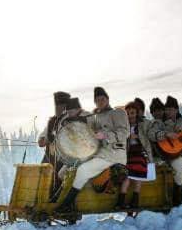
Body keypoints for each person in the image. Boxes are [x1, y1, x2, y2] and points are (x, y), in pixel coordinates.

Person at [55, 87, 129, 215]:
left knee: (83, 170)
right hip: (99, 154)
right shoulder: (95, 117)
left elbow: (124, 133)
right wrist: (70, 124)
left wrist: (105, 135)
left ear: (107, 99)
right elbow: (85, 127)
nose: (100, 102)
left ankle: (66, 205)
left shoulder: (117, 113)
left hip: (113, 154)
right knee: (71, 168)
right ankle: (67, 201)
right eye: (97, 100)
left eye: (102, 99)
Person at [116, 101, 154, 210]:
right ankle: (121, 201)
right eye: (127, 114)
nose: (130, 116)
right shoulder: (124, 126)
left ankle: (135, 201)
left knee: (139, 175)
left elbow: (149, 134)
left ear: (136, 113)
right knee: (126, 176)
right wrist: (128, 138)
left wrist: (138, 137)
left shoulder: (143, 124)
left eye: (132, 113)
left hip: (140, 153)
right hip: (127, 154)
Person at [38, 91, 71, 194]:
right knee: (41, 174)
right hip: (50, 157)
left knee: (59, 177)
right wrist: (47, 139)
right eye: (57, 105)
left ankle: (56, 200)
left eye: (61, 105)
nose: (58, 108)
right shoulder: (52, 121)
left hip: (65, 157)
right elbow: (40, 142)